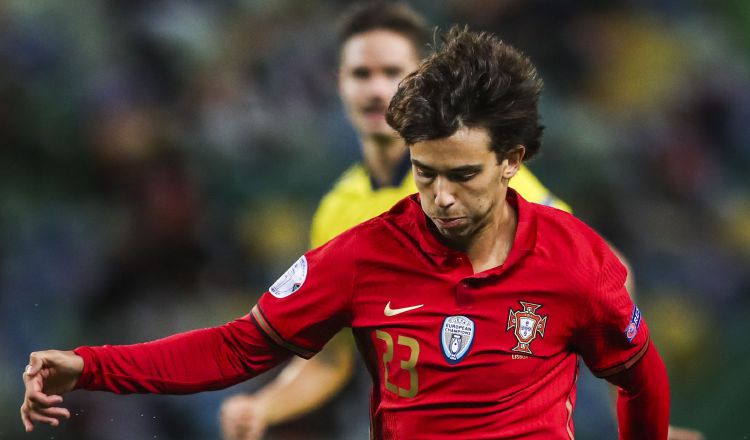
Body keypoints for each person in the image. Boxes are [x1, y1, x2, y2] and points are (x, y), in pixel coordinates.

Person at [21, 26, 670, 439]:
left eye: (464, 174)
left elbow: (640, 376)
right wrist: (91, 365)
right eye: (424, 173)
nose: (441, 198)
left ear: (511, 162)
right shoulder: (363, 254)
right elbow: (235, 349)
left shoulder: (575, 256)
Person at [219, 3, 573, 440]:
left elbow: (592, 269)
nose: (376, 89)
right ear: (340, 85)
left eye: (392, 72)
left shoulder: (467, 172)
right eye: (361, 75)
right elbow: (332, 359)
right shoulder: (337, 210)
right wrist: (263, 406)